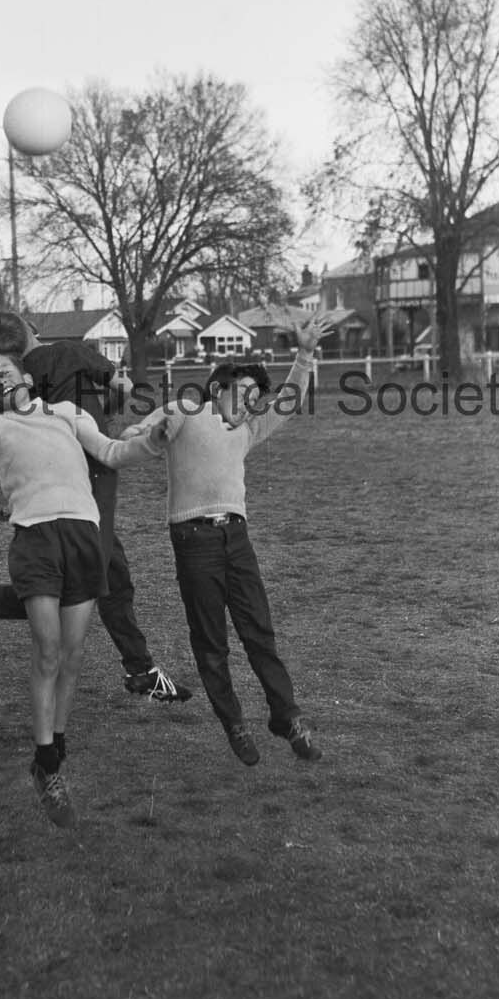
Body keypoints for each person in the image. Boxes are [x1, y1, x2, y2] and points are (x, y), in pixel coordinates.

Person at [0, 349, 165, 827]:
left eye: (5, 371)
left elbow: (111, 452)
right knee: (47, 651)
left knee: (72, 657)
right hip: (36, 538)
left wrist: (152, 441)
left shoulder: (68, 414)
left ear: (27, 377)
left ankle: (53, 754)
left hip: (83, 536)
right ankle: (46, 758)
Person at [0, 309, 192, 704]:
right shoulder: (71, 354)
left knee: (111, 572)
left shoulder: (12, 378)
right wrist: (103, 413)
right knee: (86, 580)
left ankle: (141, 669)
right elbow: (123, 387)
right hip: (92, 470)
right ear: (32, 328)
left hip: (53, 479)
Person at [122, 310, 335, 766]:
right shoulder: (183, 412)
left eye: (256, 397)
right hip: (193, 541)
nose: (251, 402)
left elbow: (289, 401)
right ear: (218, 388)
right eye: (244, 393)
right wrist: (153, 436)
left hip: (237, 540)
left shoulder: (247, 431)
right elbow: (135, 436)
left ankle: (287, 716)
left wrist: (305, 353)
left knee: (260, 632)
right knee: (211, 640)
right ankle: (233, 722)